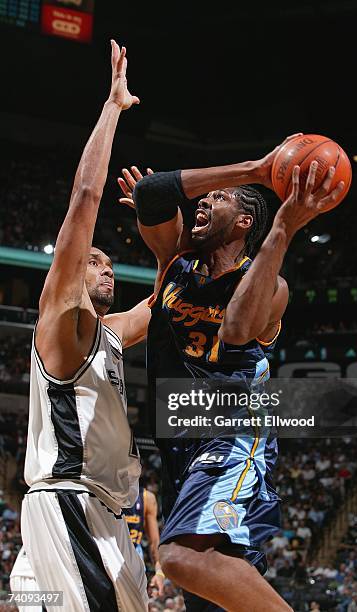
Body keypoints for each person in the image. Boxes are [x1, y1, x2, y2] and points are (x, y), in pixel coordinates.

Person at [118, 143, 344, 611]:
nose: (203, 200)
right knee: (208, 596)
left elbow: (238, 331)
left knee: (182, 558)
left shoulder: (270, 286)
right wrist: (258, 170)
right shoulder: (176, 264)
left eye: (218, 198)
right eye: (204, 196)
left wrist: (283, 227)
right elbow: (151, 192)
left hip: (231, 431)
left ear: (245, 223)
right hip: (178, 441)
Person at [10, 40, 151, 612]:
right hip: (70, 504)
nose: (106, 267)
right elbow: (85, 198)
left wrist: (162, 226)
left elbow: (164, 300)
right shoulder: (60, 322)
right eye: (95, 260)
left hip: (108, 517)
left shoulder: (111, 330)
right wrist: (113, 107)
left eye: (111, 264)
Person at [123, 486, 165, 597]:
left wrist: (159, 571)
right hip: (111, 554)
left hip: (134, 554)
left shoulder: (146, 497)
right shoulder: (103, 491)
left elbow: (154, 541)